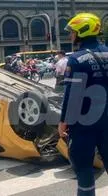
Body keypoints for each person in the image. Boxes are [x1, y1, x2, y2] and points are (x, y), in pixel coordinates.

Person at [58, 13, 108, 196]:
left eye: (72, 31)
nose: (70, 35)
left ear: (81, 31)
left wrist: (63, 122)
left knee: (84, 168)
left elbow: (73, 96)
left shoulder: (76, 59)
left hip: (84, 125)